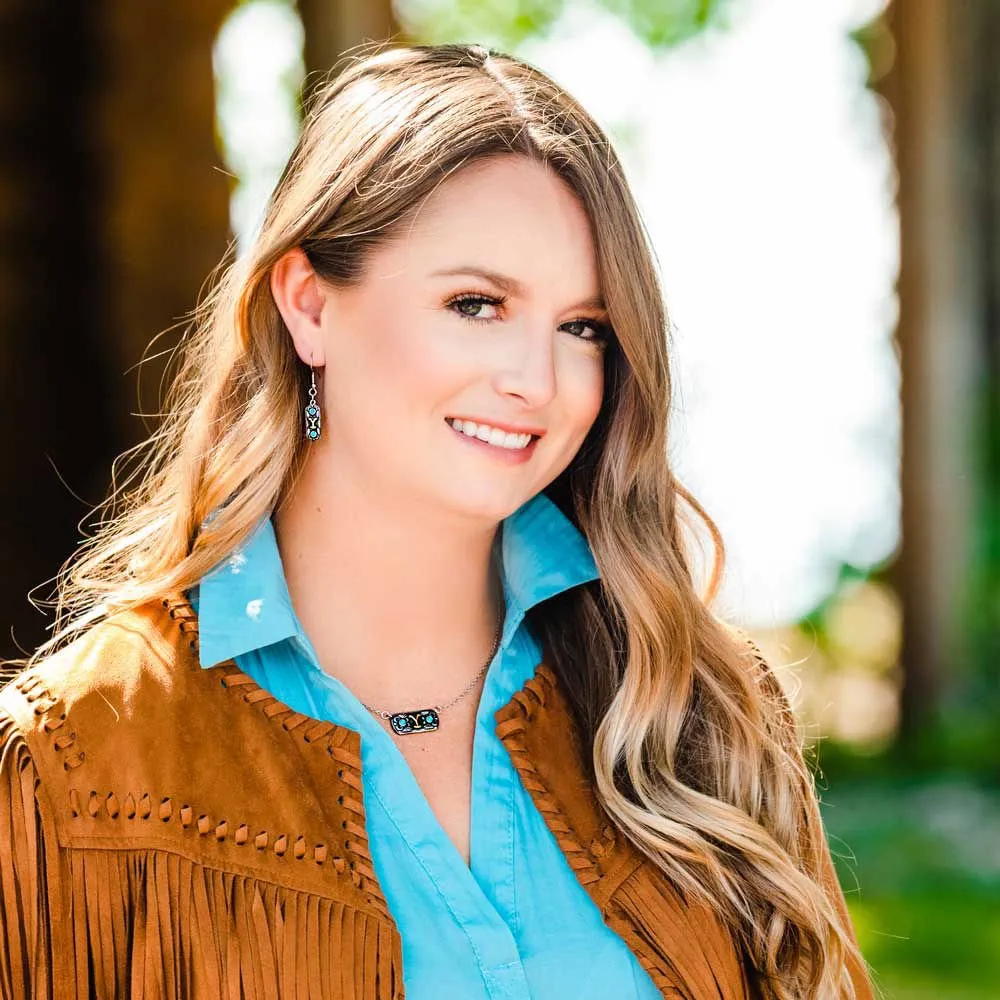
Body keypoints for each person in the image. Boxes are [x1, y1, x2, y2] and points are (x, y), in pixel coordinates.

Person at [0, 42, 874, 1000]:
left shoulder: (692, 706)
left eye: (583, 327)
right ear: (308, 306)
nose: (538, 382)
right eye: (476, 303)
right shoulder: (72, 765)